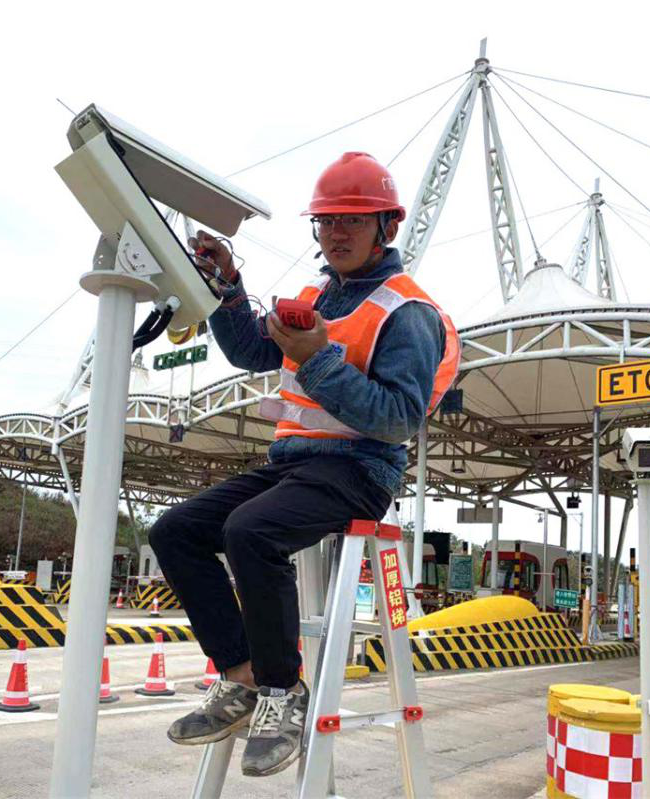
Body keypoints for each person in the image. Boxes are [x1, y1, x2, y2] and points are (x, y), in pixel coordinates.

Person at [149, 152, 459, 778]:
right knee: (174, 531)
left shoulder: (408, 313)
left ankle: (282, 691)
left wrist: (318, 359)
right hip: (294, 465)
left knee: (250, 531)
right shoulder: (315, 297)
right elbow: (249, 351)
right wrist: (229, 286)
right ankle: (241, 676)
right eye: (326, 221)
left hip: (361, 469)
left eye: (353, 220)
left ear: (388, 227)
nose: (336, 234)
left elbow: (399, 419)